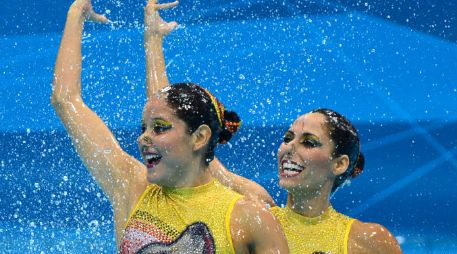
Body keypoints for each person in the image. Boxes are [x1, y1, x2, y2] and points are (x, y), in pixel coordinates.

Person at [51, 0, 288, 253]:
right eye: (143, 128)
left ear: (199, 138)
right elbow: (65, 101)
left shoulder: (247, 215)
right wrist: (76, 13)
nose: (143, 138)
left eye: (159, 129)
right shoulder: (132, 187)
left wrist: (153, 41)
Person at [219, 109, 403, 253]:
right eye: (288, 138)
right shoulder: (255, 223)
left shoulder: (369, 241)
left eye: (309, 142)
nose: (289, 147)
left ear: (339, 164)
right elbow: (212, 169)